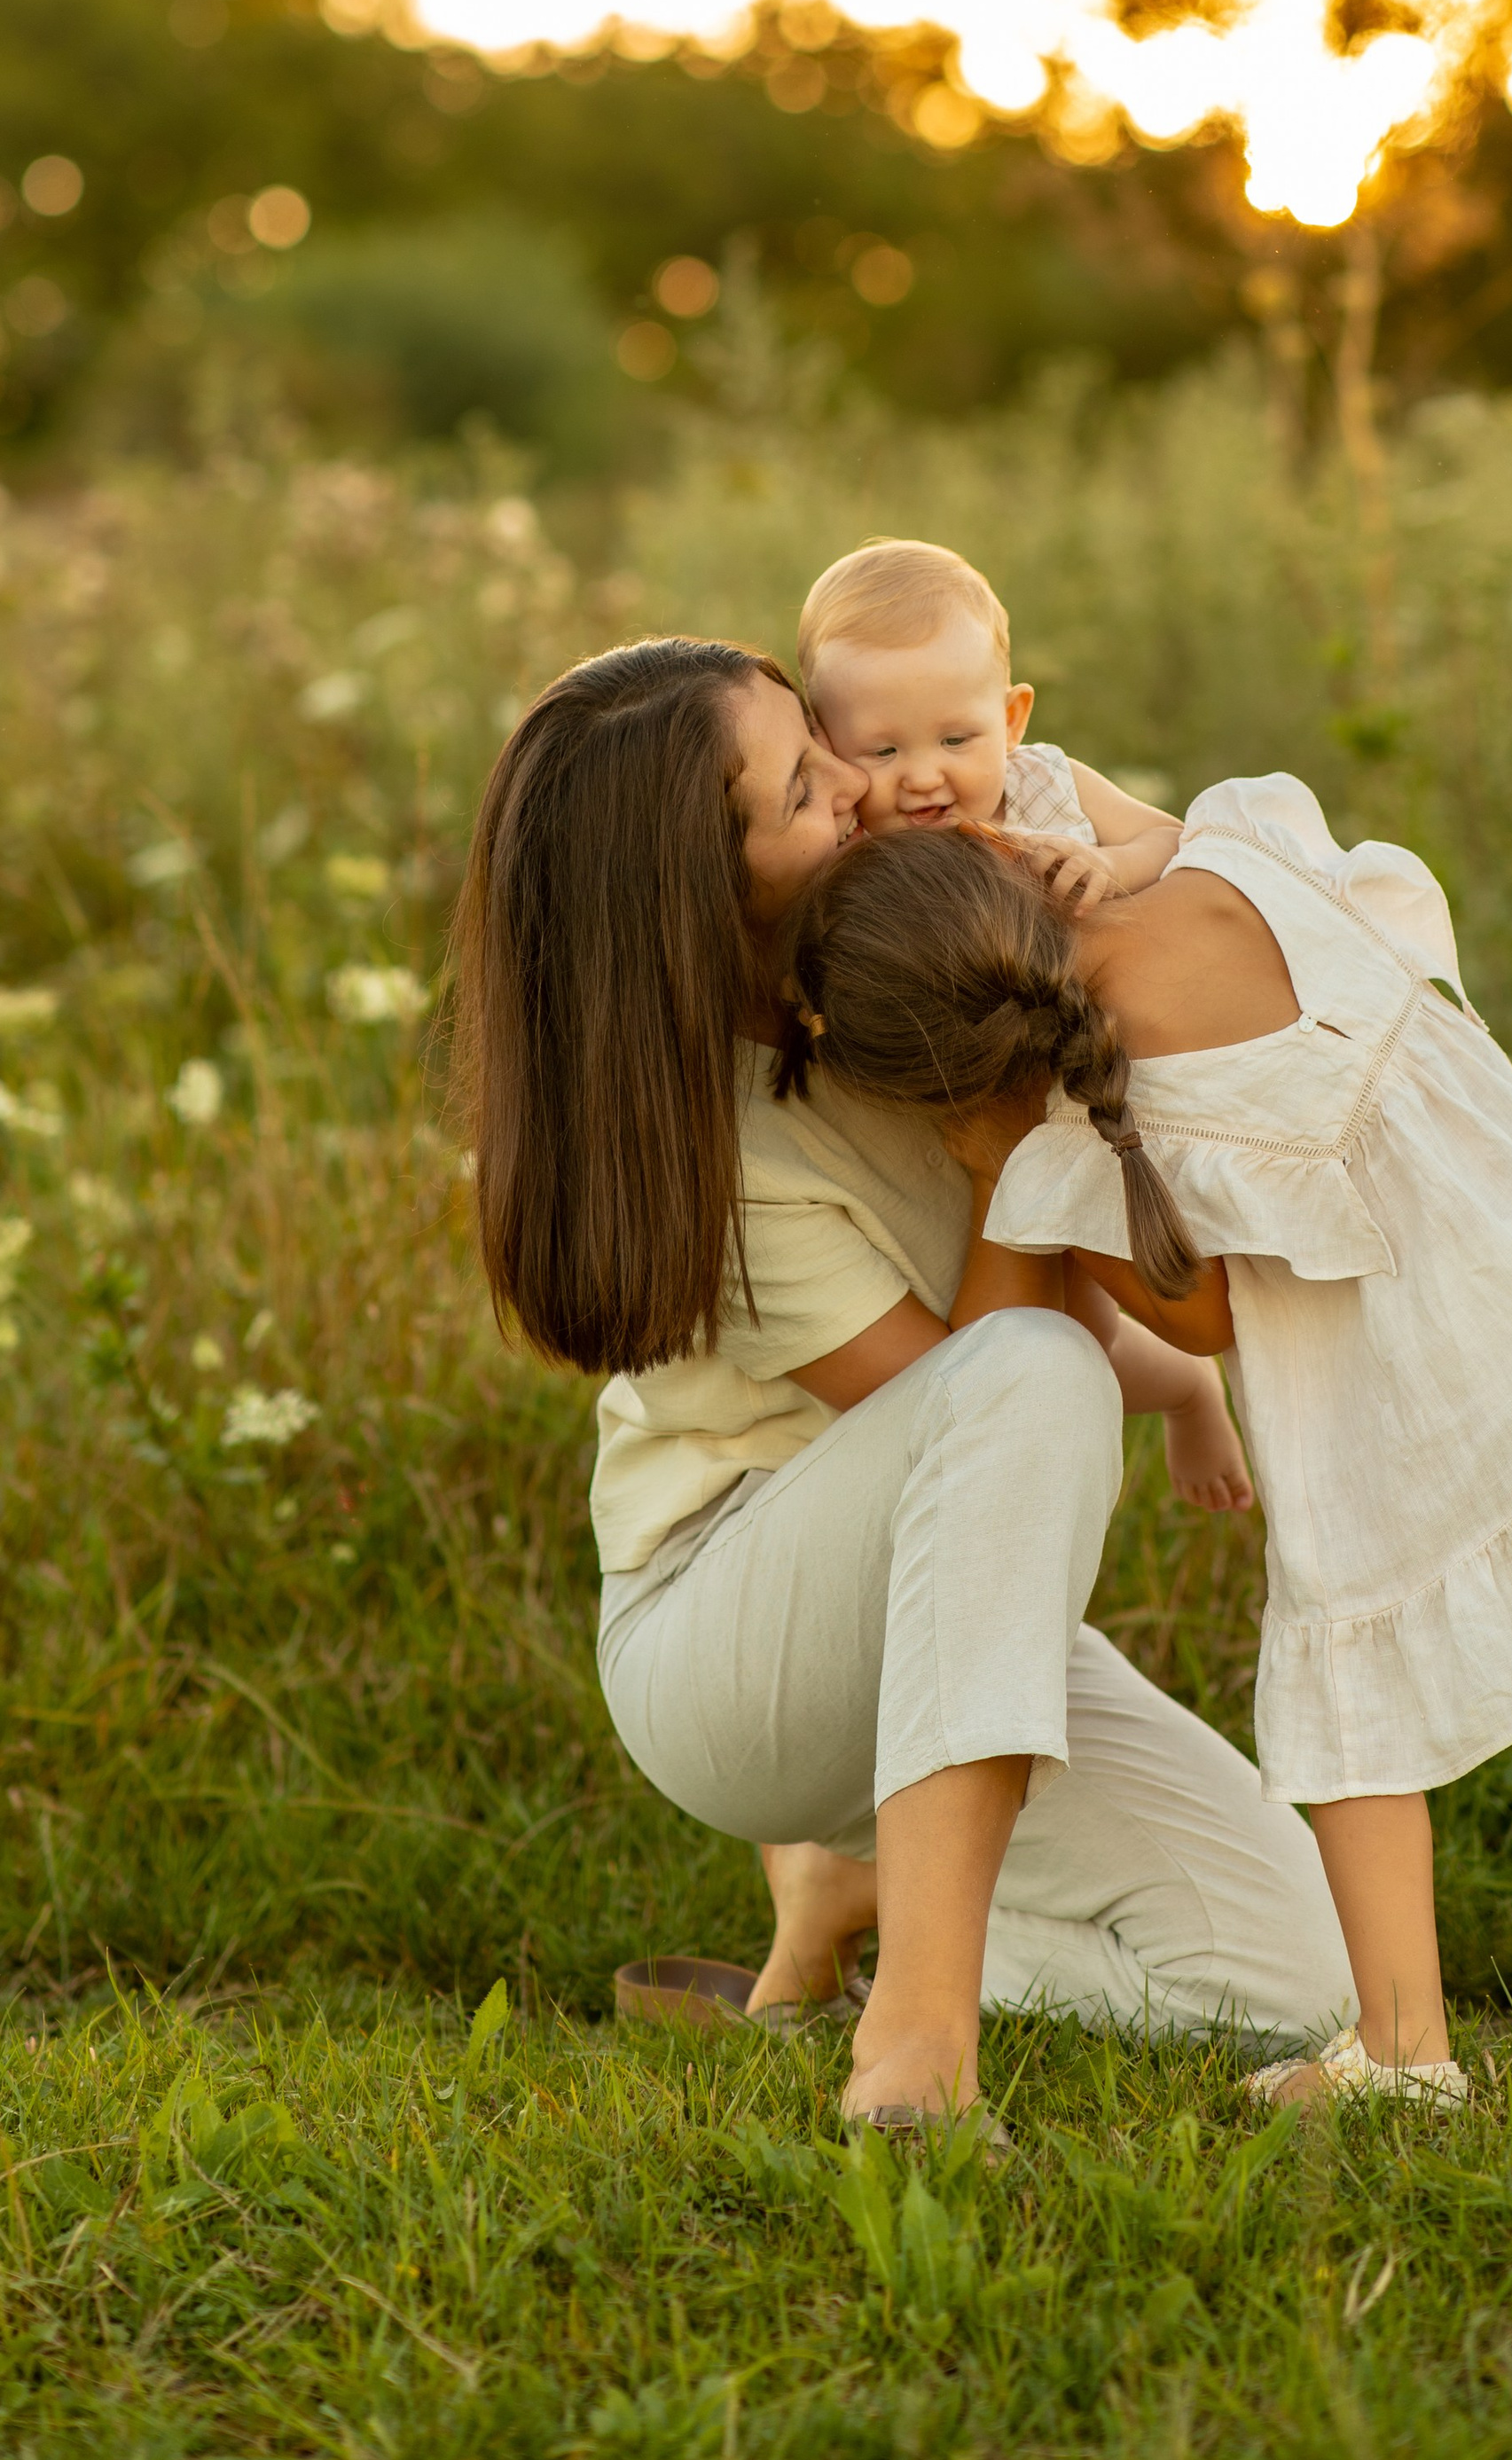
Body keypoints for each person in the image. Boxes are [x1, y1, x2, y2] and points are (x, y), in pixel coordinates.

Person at [775, 777, 1512, 2106]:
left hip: (1402, 1385)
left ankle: (1401, 2060)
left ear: (949, 1073)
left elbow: (1202, 1312)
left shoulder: (1097, 1120)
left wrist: (995, 1167)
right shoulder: (1234, 853)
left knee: (1355, 1726)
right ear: (1008, 859)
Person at [453, 639, 1355, 2138]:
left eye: (831, 745)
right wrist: (1013, 1148)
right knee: (1031, 1369)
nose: (872, 791)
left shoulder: (898, 959)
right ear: (702, 897)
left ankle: (866, 1895)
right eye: (810, 788)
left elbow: (1177, 839)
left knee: (1284, 1984)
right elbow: (981, 1403)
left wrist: (1083, 884)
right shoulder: (729, 1160)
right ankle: (915, 2048)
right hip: (738, 1647)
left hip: (946, 1611)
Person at [798, 538, 1180, 907]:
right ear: (827, 743)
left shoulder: (1044, 782)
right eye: (884, 751)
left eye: (955, 741)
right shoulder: (848, 846)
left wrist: (1112, 864)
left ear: (1011, 720)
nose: (924, 779)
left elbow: (1173, 837)